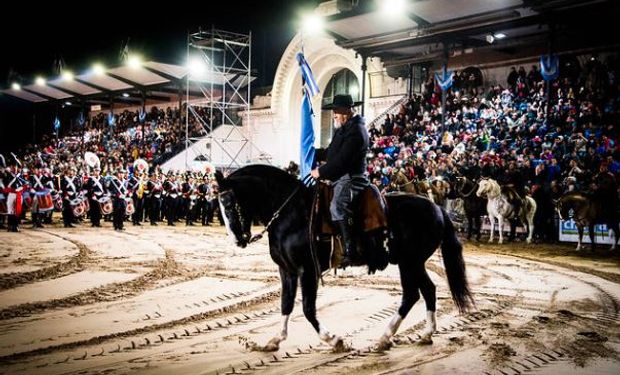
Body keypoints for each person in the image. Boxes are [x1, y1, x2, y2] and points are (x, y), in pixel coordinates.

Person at [311, 94, 369, 267]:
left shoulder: (357, 131)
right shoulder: (344, 129)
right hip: (340, 176)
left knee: (337, 205)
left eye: (336, 111)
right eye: (334, 111)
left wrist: (320, 172)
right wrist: (311, 153)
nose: (334, 114)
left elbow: (342, 161)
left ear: (347, 111)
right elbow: (330, 153)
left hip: (351, 177)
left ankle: (350, 251)